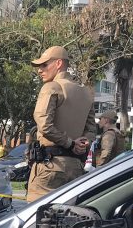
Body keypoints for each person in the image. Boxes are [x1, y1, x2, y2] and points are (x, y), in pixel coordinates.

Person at [27, 45, 96, 203]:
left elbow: (44, 124)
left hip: (50, 165)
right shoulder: (86, 92)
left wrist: (70, 143)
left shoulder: (51, 87)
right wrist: (82, 144)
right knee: (68, 214)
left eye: (44, 65)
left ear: (58, 64)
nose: (40, 70)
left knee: (37, 214)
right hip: (75, 167)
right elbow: (91, 129)